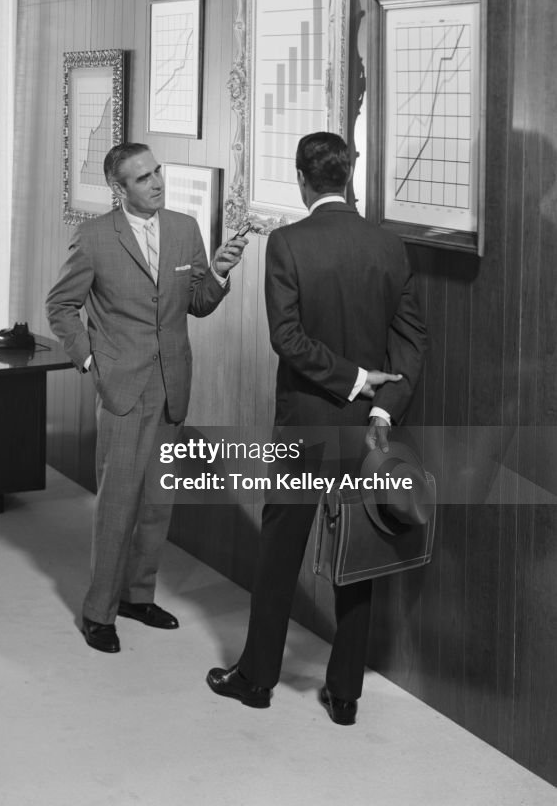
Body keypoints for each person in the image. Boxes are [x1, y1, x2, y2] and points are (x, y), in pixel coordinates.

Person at [206, 132, 427, 724]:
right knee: (359, 549)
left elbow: (287, 339)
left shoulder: (287, 243)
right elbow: (413, 340)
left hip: (306, 423)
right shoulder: (389, 245)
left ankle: (256, 679)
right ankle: (346, 694)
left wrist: (352, 378)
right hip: (369, 433)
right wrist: (382, 408)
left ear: (302, 179)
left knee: (279, 552)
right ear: (349, 176)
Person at [46, 142, 248, 653]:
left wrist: (220, 272)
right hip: (123, 387)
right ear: (120, 188)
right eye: (143, 178)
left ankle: (138, 596)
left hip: (173, 384)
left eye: (158, 171)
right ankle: (99, 611)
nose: (157, 182)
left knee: (158, 502)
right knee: (118, 505)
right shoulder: (93, 238)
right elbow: (61, 306)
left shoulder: (185, 229)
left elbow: (198, 304)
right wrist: (91, 360)